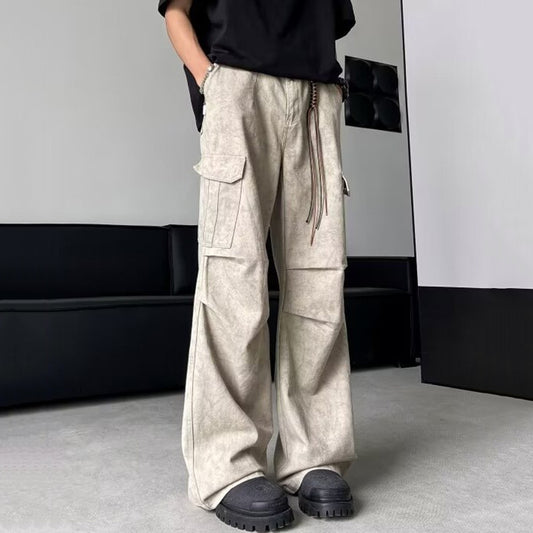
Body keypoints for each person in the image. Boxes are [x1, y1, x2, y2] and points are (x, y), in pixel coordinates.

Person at [157, 0, 357, 530]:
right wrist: (212, 82)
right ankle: (228, 465)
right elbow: (176, 10)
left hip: (316, 97)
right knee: (234, 282)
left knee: (319, 284)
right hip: (239, 87)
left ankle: (315, 453)